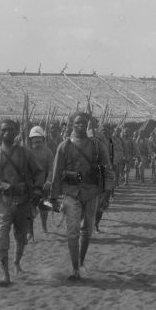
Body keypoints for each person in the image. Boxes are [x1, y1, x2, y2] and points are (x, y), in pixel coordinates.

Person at [0, 119, 44, 287]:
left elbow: (39, 172)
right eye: (3, 130)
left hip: (22, 201)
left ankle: (16, 263)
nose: (7, 133)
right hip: (2, 202)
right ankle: (5, 274)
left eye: (10, 130)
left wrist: (37, 190)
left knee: (21, 237)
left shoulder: (26, 153)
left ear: (16, 132)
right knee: (0, 237)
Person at [50, 112, 111, 280]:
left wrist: (106, 194)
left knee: (87, 230)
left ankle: (81, 261)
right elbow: (56, 174)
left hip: (92, 192)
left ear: (88, 125)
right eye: (77, 123)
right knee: (72, 231)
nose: (80, 126)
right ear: (71, 125)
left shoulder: (97, 146)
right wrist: (53, 197)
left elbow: (107, 170)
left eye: (84, 123)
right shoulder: (64, 146)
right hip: (71, 191)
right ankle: (75, 269)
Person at [28, 126, 54, 235]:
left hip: (44, 185)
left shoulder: (48, 152)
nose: (36, 141)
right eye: (34, 139)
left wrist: (48, 181)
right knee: (29, 208)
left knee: (44, 207)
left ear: (43, 139)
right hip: (30, 184)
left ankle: (44, 226)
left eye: (39, 139)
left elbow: (51, 168)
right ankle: (30, 231)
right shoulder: (27, 151)